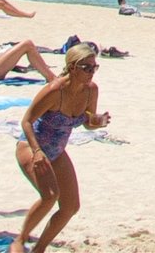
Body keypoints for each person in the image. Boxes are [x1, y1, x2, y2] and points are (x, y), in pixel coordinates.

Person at [13, 44, 109, 253]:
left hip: (57, 151)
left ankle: (39, 248)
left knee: (71, 207)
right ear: (73, 67)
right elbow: (27, 121)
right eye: (87, 68)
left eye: (95, 67)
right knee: (50, 196)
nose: (92, 72)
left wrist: (98, 121)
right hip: (32, 147)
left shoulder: (91, 90)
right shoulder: (55, 90)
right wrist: (37, 152)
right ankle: (19, 240)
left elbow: (87, 122)